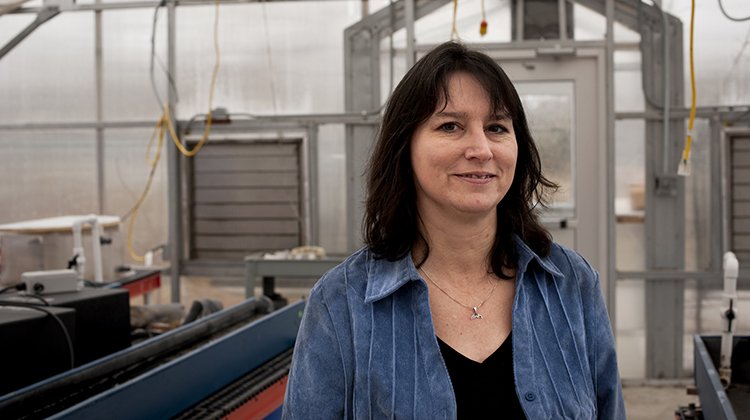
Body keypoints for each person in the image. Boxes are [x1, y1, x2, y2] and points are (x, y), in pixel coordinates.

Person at [282, 41, 625, 419]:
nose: (481, 149)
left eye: (496, 127)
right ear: (405, 146)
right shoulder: (341, 302)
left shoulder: (572, 284)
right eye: (450, 126)